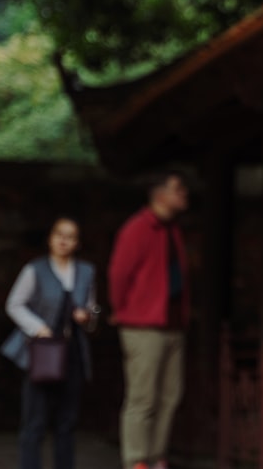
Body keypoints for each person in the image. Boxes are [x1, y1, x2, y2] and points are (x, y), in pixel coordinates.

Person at [108, 170, 191, 469]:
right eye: (178, 189)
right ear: (160, 195)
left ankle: (157, 456)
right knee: (142, 397)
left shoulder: (173, 229)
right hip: (142, 325)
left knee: (171, 395)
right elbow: (118, 275)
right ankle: (136, 459)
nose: (184, 194)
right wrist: (123, 310)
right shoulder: (137, 229)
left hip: (172, 324)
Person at [1, 216, 98, 469]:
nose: (64, 241)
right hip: (42, 351)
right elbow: (14, 304)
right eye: (60, 234)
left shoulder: (86, 271)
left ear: (77, 242)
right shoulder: (35, 269)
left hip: (72, 351)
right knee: (35, 420)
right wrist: (37, 327)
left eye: (71, 236)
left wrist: (87, 316)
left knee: (67, 421)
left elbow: (93, 311)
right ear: (51, 238)